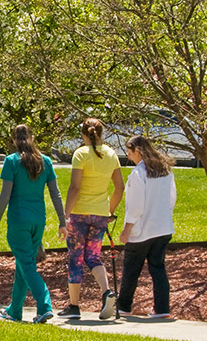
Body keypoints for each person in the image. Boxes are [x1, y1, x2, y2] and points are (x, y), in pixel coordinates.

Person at [0, 125, 66, 324]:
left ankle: (44, 306)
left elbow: (5, 195)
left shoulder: (11, 161)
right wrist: (62, 221)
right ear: (32, 138)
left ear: (14, 140)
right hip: (38, 220)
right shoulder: (45, 161)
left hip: (18, 221)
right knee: (23, 264)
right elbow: (55, 194)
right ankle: (14, 310)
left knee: (27, 265)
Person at [58, 118, 124, 320]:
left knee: (75, 258)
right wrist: (109, 210)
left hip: (79, 214)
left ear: (83, 134)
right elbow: (119, 187)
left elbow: (75, 187)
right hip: (100, 214)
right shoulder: (111, 154)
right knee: (93, 256)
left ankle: (74, 305)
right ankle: (107, 292)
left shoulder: (81, 154)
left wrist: (65, 216)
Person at [117, 135, 176, 318]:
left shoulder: (138, 173)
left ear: (138, 151)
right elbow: (172, 198)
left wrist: (127, 228)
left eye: (130, 152)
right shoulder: (165, 170)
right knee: (158, 268)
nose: (129, 156)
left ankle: (124, 306)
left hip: (142, 231)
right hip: (163, 227)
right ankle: (162, 308)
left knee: (131, 269)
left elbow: (135, 206)